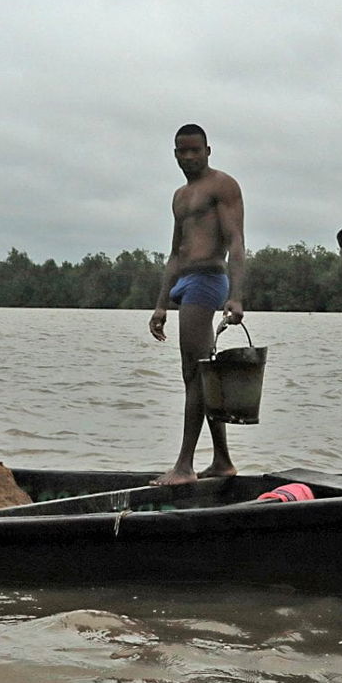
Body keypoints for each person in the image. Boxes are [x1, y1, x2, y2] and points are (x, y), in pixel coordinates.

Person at [148, 123, 246, 486]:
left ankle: (185, 466)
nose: (188, 157)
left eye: (195, 150)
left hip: (207, 280)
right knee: (202, 374)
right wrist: (161, 305)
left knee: (193, 373)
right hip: (184, 282)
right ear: (174, 153)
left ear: (208, 150)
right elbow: (174, 253)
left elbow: (236, 241)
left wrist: (235, 294)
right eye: (181, 151)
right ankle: (222, 460)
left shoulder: (222, 186)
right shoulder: (179, 196)